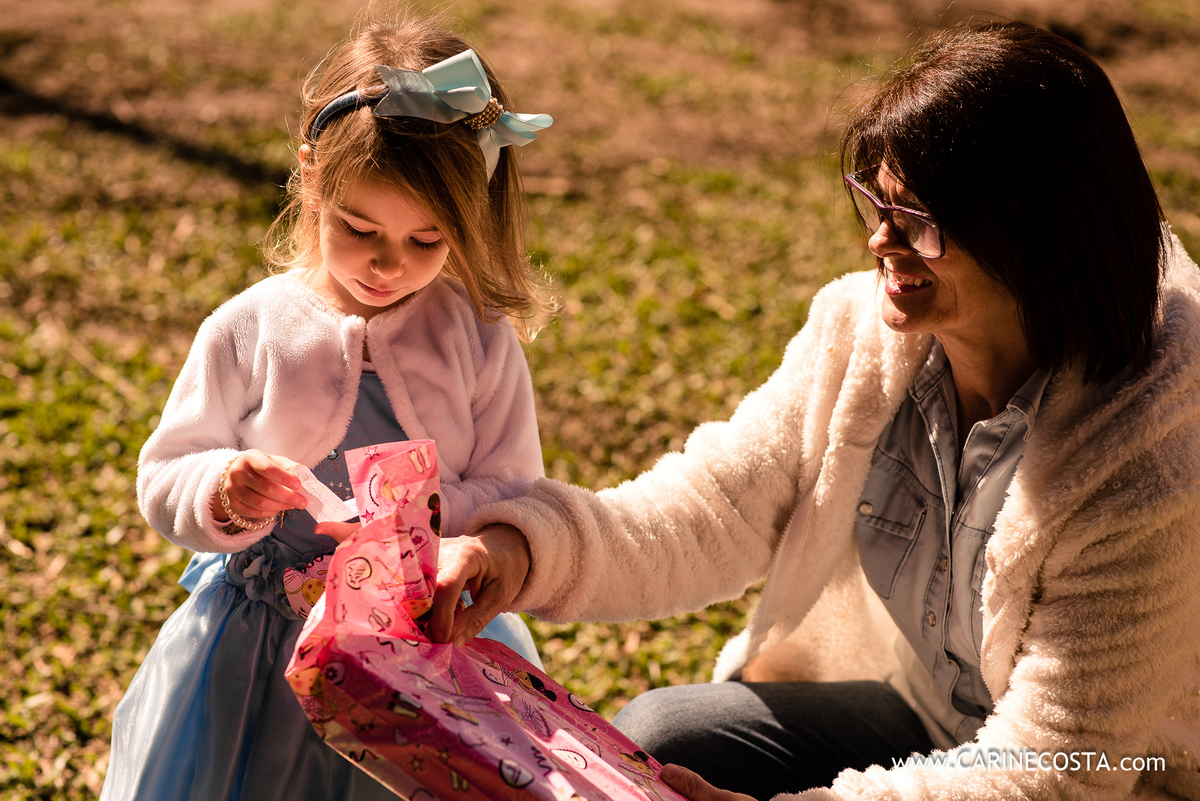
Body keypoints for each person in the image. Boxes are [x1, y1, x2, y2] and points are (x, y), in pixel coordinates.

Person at [430, 20, 1200, 801]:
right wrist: (524, 550)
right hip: (933, 719)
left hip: (1112, 776)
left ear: (1039, 228)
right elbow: (718, 502)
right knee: (661, 741)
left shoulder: (1155, 449)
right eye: (876, 198)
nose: (879, 239)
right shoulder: (863, 335)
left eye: (920, 219)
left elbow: (1058, 764)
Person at [100, 13, 553, 801]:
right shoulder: (251, 327)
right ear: (312, 176)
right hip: (260, 648)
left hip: (421, 652)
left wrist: (444, 519)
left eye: (428, 240)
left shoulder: (477, 339)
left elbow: (519, 490)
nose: (388, 262)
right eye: (360, 227)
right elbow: (166, 470)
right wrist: (224, 489)